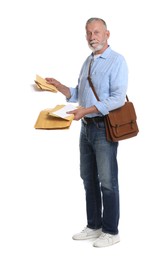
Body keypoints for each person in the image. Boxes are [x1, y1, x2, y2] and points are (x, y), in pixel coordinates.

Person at [46, 17, 128, 248]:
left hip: (103, 127)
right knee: (88, 179)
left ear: (107, 34)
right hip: (86, 129)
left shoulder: (117, 61)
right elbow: (80, 93)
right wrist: (60, 87)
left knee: (108, 182)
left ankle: (111, 231)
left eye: (97, 32)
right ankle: (94, 226)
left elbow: (117, 98)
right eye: (89, 33)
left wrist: (88, 110)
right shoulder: (88, 61)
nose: (93, 37)